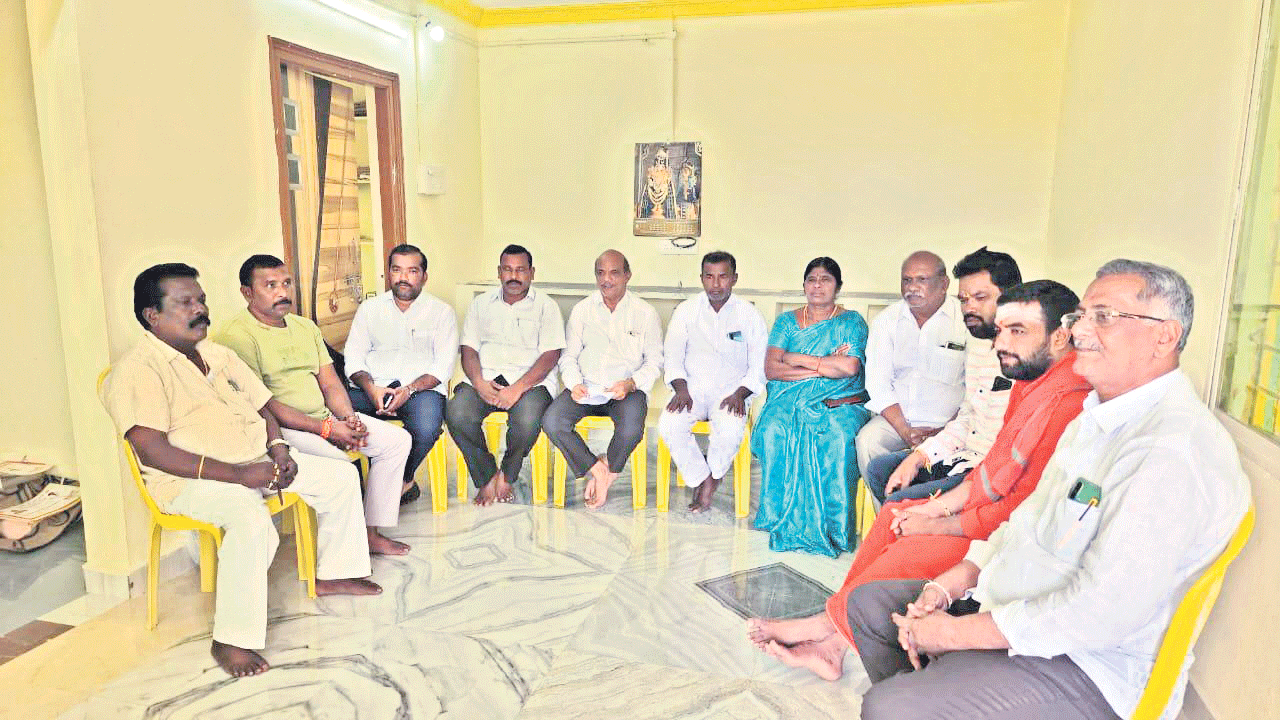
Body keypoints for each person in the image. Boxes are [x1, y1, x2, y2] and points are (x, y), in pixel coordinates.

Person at [847, 260, 1248, 720]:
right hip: (1016, 602)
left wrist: (954, 634)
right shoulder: (1096, 418)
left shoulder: (1171, 450)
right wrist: (951, 583)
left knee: (889, 707)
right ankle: (941, 689)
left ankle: (935, 694)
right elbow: (1025, 521)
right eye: (1081, 316)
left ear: (1164, 336)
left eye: (1105, 317)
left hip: (1086, 664)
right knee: (871, 606)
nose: (1080, 332)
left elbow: (1099, 614)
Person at [747, 280, 1089, 682]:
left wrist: (939, 523)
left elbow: (1019, 513)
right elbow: (991, 469)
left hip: (1001, 538)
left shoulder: (1067, 403)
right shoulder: (1032, 380)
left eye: (1017, 331)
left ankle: (825, 628)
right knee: (896, 512)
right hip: (972, 490)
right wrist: (934, 506)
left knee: (903, 547)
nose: (1001, 343)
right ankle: (832, 641)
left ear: (1061, 336)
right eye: (1000, 330)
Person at [101, 263, 382, 678]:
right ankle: (231, 639)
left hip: (257, 461)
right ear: (152, 315)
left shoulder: (216, 353)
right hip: (189, 480)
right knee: (249, 519)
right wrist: (239, 476)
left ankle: (335, 574)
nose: (200, 309)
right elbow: (152, 451)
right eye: (185, 303)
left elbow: (263, 407)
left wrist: (279, 449)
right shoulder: (138, 369)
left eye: (201, 300)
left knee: (339, 477)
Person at [217, 254, 412, 556]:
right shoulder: (237, 336)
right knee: (342, 468)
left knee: (397, 441)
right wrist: (327, 430)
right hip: (282, 430)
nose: (282, 292)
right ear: (247, 293)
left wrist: (348, 419)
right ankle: (341, 555)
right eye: (270, 285)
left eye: (286, 283)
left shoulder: (304, 327)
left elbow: (330, 383)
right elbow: (264, 405)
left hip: (324, 417)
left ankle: (371, 532)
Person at [865, 247, 1022, 505]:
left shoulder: (1025, 357)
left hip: (985, 464)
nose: (970, 307)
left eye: (980, 297)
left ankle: (901, 524)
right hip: (952, 444)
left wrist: (935, 439)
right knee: (879, 467)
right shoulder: (980, 345)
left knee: (902, 500)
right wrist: (918, 457)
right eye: (964, 299)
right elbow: (969, 414)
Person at [751, 257, 871, 557]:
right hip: (787, 397)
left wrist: (797, 359)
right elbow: (772, 369)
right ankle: (777, 516)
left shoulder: (852, 322)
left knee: (837, 435)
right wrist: (825, 366)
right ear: (804, 285)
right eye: (812, 280)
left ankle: (834, 527)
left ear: (838, 287)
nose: (818, 286)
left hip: (842, 400)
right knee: (774, 428)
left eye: (825, 279)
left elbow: (850, 367)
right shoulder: (786, 322)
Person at [445, 244, 565, 505]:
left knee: (528, 420)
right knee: (457, 413)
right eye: (508, 270)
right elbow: (469, 349)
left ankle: (508, 474)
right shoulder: (480, 304)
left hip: (530, 383)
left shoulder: (547, 307)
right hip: (486, 378)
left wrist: (518, 388)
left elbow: (551, 355)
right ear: (499, 272)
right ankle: (487, 476)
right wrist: (478, 382)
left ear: (532, 273)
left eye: (520, 270)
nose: (514, 276)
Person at [543, 250, 664, 509]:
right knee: (552, 420)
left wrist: (631, 383)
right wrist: (574, 383)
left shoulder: (645, 313)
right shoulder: (582, 310)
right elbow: (568, 356)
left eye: (614, 273)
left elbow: (655, 362)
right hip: (586, 387)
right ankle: (597, 470)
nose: (606, 280)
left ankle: (608, 469)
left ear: (627, 275)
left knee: (631, 429)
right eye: (601, 273)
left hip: (626, 390)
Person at [343, 244, 457, 505]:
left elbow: (443, 366)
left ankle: (402, 481)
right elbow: (354, 357)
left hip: (420, 390)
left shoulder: (442, 312)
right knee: (336, 416)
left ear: (424, 276)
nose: (403, 277)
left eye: (412, 271)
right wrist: (371, 389)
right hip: (372, 387)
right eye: (397, 270)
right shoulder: (369, 309)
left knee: (426, 427)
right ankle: (357, 484)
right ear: (389, 273)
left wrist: (409, 390)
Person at [657, 251, 767, 512]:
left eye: (723, 277)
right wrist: (681, 389)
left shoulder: (749, 314)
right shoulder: (686, 311)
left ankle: (713, 479)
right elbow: (672, 356)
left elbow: (759, 365)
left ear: (734, 278)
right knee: (669, 424)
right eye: (709, 277)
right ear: (701, 278)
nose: (716, 284)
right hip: (691, 390)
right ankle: (702, 477)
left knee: (729, 429)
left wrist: (740, 394)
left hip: (732, 392)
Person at [857, 251, 970, 481]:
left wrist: (945, 431)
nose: (912, 287)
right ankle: (887, 504)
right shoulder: (886, 321)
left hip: (953, 423)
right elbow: (878, 384)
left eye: (922, 280)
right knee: (868, 441)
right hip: (897, 422)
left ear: (944, 284)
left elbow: (976, 387)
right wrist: (905, 431)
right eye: (907, 280)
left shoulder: (965, 320)